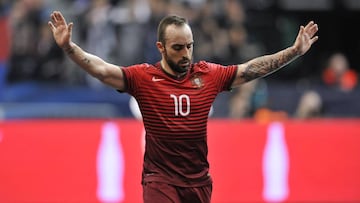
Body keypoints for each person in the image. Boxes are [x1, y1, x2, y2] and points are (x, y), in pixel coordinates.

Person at [48, 10, 318, 203]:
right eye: (178, 48)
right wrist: (70, 48)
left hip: (199, 183)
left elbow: (251, 69)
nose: (186, 54)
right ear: (161, 48)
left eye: (189, 46)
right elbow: (102, 70)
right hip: (160, 181)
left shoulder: (208, 75)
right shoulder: (144, 78)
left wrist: (293, 52)